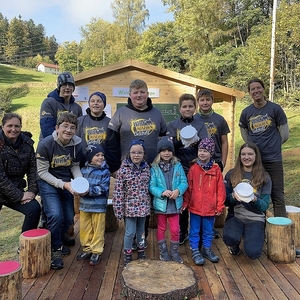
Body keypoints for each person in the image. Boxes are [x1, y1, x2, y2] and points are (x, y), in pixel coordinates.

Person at [106, 79, 167, 247]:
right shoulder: (120, 114)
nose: (139, 95)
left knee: (145, 203)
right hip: (127, 171)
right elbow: (110, 143)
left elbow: (164, 140)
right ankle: (131, 237)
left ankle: (142, 238)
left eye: (142, 92)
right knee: (129, 203)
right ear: (130, 95)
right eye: (135, 92)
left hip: (151, 170)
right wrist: (114, 168)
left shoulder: (157, 114)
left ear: (147, 94)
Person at [36, 112, 83, 270]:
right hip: (48, 182)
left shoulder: (77, 144)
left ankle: (60, 237)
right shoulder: (45, 144)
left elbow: (75, 166)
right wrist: (63, 185)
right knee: (55, 215)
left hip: (67, 182)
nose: (69, 130)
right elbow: (42, 173)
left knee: (69, 217)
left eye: (72, 127)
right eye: (65, 126)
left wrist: (79, 182)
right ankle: (55, 249)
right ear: (57, 127)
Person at [239, 78, 289, 218]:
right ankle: (259, 225)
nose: (256, 91)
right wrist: (252, 149)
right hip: (255, 162)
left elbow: (284, 133)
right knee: (257, 194)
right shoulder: (246, 112)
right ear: (249, 93)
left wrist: (274, 144)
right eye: (252, 89)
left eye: (258, 88)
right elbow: (244, 133)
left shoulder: (275, 109)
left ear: (263, 89)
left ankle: (280, 229)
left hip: (274, 159)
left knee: (277, 195)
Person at [166, 93, 208, 245]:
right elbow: (168, 146)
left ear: (195, 108)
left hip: (196, 167)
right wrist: (181, 141)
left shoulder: (200, 125)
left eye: (190, 106)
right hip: (178, 167)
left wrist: (196, 142)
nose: (187, 109)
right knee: (181, 199)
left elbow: (206, 145)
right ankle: (182, 231)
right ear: (180, 108)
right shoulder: (173, 125)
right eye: (184, 106)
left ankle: (198, 232)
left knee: (198, 199)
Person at [222, 142, 271, 259]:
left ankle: (253, 236)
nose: (246, 157)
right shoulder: (231, 174)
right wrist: (232, 197)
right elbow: (225, 201)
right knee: (230, 238)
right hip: (236, 216)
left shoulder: (265, 177)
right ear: (240, 156)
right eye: (243, 154)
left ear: (256, 156)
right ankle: (234, 243)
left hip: (256, 219)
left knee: (253, 253)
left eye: (250, 154)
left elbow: (264, 206)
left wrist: (254, 199)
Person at [183, 137, 225, 265]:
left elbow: (220, 189)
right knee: (194, 230)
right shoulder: (193, 169)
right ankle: (195, 250)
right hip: (195, 207)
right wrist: (185, 203)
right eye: (200, 150)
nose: (202, 153)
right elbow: (189, 188)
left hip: (210, 208)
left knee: (208, 231)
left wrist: (219, 206)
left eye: (205, 151)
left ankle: (207, 249)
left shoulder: (216, 170)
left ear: (211, 153)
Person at [196, 89, 230, 238]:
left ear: (212, 101)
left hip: (215, 162)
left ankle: (211, 225)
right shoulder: (194, 118)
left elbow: (224, 142)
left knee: (212, 194)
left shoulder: (219, 119)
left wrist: (222, 161)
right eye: (202, 100)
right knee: (199, 193)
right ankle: (197, 225)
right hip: (198, 162)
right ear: (198, 102)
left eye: (208, 100)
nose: (205, 103)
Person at [0, 113, 41, 234]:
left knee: (34, 208)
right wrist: (20, 196)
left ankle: (25, 246)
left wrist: (32, 192)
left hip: (15, 189)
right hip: (6, 189)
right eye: (10, 126)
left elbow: (33, 170)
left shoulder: (27, 144)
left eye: (17, 126)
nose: (13, 129)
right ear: (2, 127)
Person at [149, 136, 188, 263]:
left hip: (174, 205)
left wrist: (178, 191)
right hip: (161, 205)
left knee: (176, 230)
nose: (167, 153)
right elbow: (151, 186)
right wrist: (162, 192)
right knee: (161, 228)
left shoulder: (178, 166)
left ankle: (174, 252)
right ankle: (163, 251)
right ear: (160, 152)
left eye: (169, 150)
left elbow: (184, 182)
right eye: (164, 150)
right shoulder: (154, 168)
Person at [112, 139, 151, 266]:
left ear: (143, 154)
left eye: (139, 152)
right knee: (130, 231)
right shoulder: (123, 170)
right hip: (129, 208)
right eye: (133, 152)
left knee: (141, 231)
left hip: (143, 206)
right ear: (129, 153)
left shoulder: (146, 169)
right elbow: (118, 192)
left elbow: (148, 187)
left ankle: (141, 251)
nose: (136, 155)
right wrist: (118, 209)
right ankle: (128, 253)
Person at [77, 144, 110, 266]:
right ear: (90, 157)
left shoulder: (105, 171)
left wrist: (88, 191)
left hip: (98, 206)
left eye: (102, 155)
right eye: (97, 155)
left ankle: (96, 250)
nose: (101, 157)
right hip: (84, 205)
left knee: (98, 229)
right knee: (85, 228)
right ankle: (87, 248)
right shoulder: (83, 170)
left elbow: (103, 188)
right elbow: (79, 184)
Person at [39, 71, 82, 140]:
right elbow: (46, 128)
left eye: (70, 85)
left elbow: (79, 130)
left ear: (73, 88)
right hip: (50, 145)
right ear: (59, 87)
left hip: (69, 146)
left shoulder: (77, 108)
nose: (67, 88)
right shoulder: (49, 102)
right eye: (64, 85)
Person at [76, 91, 110, 160]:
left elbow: (111, 145)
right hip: (83, 161)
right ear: (89, 104)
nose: (95, 103)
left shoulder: (110, 122)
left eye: (99, 101)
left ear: (104, 104)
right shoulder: (80, 121)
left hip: (103, 162)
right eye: (92, 101)